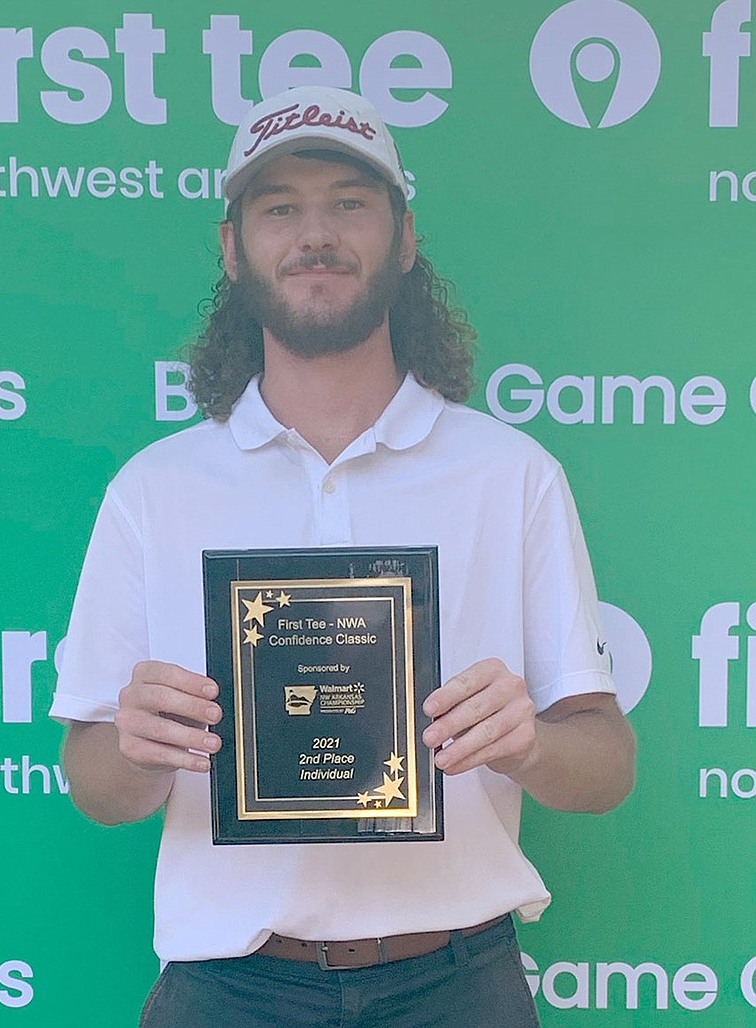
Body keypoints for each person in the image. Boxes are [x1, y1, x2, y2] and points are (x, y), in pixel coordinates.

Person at [50, 85, 635, 1027]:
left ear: (405, 237)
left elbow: (606, 763)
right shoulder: (155, 490)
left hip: (459, 984)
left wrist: (530, 743)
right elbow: (94, 783)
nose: (314, 232)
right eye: (280, 206)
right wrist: (133, 748)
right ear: (232, 245)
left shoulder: (510, 473)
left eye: (349, 202)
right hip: (226, 986)